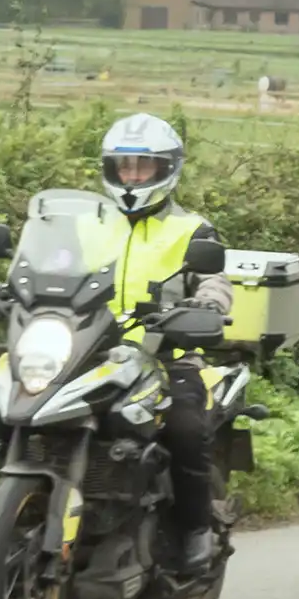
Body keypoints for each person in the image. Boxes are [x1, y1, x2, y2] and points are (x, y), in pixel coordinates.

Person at [98, 112, 234, 573]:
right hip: (89, 354)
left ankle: (197, 528)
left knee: (184, 427)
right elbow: (49, 266)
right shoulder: (89, 226)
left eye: (144, 166)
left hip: (165, 357)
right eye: (125, 167)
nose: (133, 175)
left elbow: (216, 281)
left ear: (166, 170)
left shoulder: (191, 230)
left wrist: (206, 307)